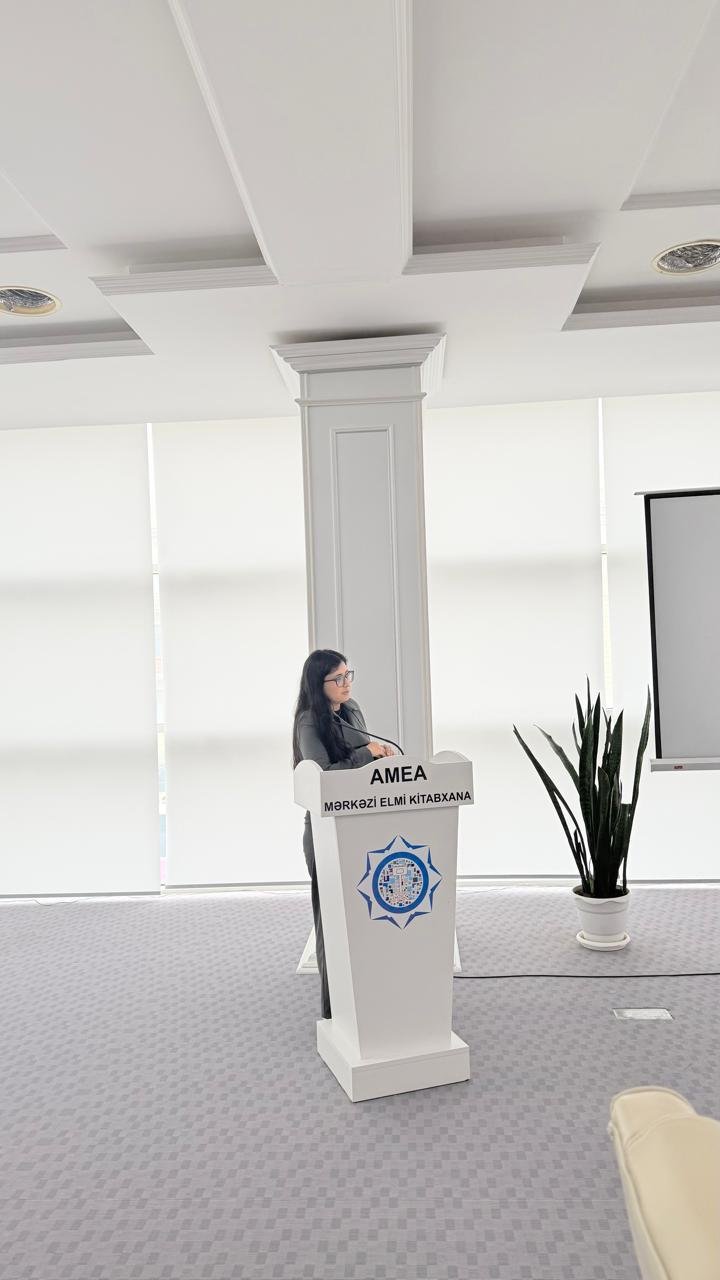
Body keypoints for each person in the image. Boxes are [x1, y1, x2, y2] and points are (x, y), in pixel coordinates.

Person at [291, 650, 394, 1020]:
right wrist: (368, 753)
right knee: (332, 920)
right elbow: (326, 777)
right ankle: (334, 1007)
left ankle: (369, 997)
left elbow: (361, 755)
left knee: (365, 914)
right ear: (318, 685)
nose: (346, 683)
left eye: (348, 674)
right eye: (337, 678)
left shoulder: (352, 709)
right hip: (326, 830)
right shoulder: (309, 721)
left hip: (361, 824)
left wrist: (380, 757)